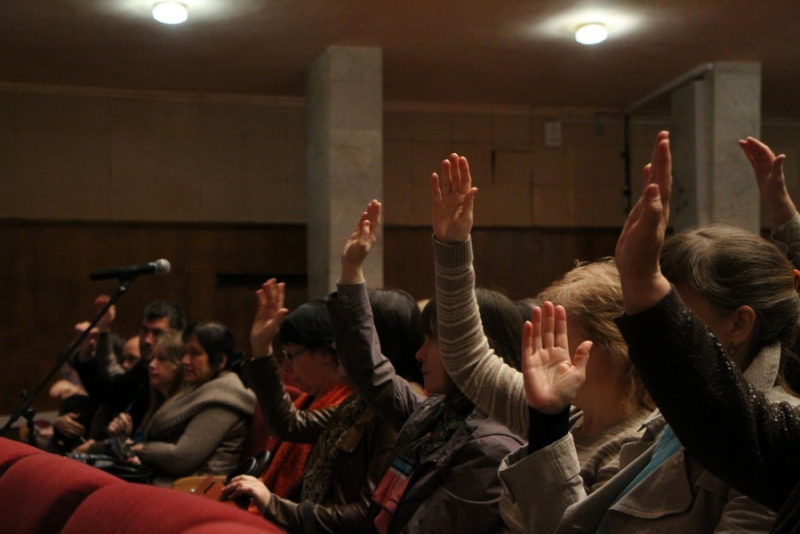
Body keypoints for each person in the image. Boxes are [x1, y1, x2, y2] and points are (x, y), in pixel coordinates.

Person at [502, 131, 797, 533]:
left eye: (677, 313)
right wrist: (549, 421)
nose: (657, 331)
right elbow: (575, 527)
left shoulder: (774, 439)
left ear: (739, 324)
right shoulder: (671, 416)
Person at [429, 152, 655, 529]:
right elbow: (467, 360)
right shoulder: (571, 412)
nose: (544, 351)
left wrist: (548, 421)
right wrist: (452, 246)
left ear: (612, 347)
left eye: (558, 335)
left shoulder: (635, 445)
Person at [611, 135, 800, 534]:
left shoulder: (772, 414)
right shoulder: (676, 408)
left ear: (739, 324)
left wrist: (645, 287)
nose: (673, 326)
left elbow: (727, 419)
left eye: (680, 313)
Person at [322, 200, 524, 533]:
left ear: (474, 346)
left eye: (434, 341)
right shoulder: (438, 413)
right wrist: (351, 270)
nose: (419, 354)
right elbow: (370, 372)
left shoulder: (492, 448)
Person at [223, 277, 421, 533]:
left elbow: (369, 515)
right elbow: (289, 425)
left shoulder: (396, 412)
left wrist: (273, 505)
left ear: (375, 345)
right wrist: (261, 348)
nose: (336, 345)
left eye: (347, 336)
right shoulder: (361, 402)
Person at [124, 321, 255, 486]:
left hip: (195, 490)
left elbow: (181, 459)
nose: (185, 360)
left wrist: (142, 449)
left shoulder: (224, 398)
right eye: (185, 352)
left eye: (195, 353)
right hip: (172, 482)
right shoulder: (203, 389)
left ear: (221, 361)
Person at [73, 300, 186, 433]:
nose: (147, 340)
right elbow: (110, 394)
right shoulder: (144, 367)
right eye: (144, 330)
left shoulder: (185, 379)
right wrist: (86, 355)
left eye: (157, 333)